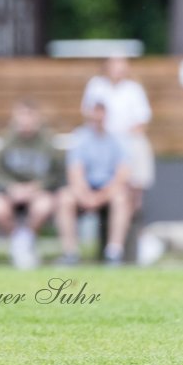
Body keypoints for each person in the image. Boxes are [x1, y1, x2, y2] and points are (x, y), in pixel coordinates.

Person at [0, 99, 61, 270]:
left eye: (30, 116)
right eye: (22, 116)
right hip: (11, 193)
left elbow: (56, 174)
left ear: (37, 118)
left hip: (37, 193)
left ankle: (23, 243)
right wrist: (11, 188)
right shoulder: (6, 141)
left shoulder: (47, 142)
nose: (26, 121)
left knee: (44, 206)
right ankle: (21, 242)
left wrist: (37, 187)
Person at [55, 99, 132, 266]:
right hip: (85, 190)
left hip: (108, 191)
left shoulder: (116, 140)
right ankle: (70, 252)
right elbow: (75, 172)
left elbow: (122, 175)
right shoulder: (80, 138)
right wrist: (86, 195)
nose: (98, 117)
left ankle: (114, 252)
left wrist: (101, 196)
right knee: (64, 198)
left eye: (101, 112)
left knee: (122, 198)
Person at [82, 55, 153, 212]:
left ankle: (134, 215)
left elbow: (142, 121)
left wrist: (122, 142)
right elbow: (89, 114)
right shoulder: (96, 85)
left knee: (138, 152)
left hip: (127, 141)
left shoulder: (134, 88)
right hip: (102, 141)